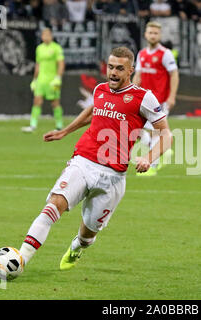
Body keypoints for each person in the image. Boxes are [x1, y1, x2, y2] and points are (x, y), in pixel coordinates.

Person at [18, 46, 173, 273]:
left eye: (120, 68)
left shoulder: (143, 98)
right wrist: (65, 131)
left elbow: (166, 134)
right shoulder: (100, 90)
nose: (113, 72)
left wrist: (149, 158)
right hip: (84, 160)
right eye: (110, 67)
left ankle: (77, 247)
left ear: (130, 70)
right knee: (53, 206)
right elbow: (92, 112)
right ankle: (20, 259)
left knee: (88, 233)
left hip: (113, 177)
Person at [132, 21, 179, 176]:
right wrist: (131, 94)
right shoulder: (142, 54)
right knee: (137, 130)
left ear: (160, 35)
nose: (152, 35)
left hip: (159, 101)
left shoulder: (165, 54)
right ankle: (164, 152)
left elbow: (174, 75)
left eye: (155, 33)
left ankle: (152, 166)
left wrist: (171, 96)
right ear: (146, 34)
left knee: (156, 133)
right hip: (142, 100)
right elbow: (137, 76)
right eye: (150, 32)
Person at [22, 28, 65, 133]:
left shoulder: (56, 48)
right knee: (37, 101)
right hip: (41, 80)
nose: (46, 37)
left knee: (55, 103)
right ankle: (32, 125)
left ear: (51, 36)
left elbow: (61, 64)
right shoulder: (39, 48)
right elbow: (38, 65)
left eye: (48, 35)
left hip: (53, 81)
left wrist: (58, 78)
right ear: (41, 37)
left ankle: (59, 126)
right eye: (44, 35)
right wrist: (34, 80)